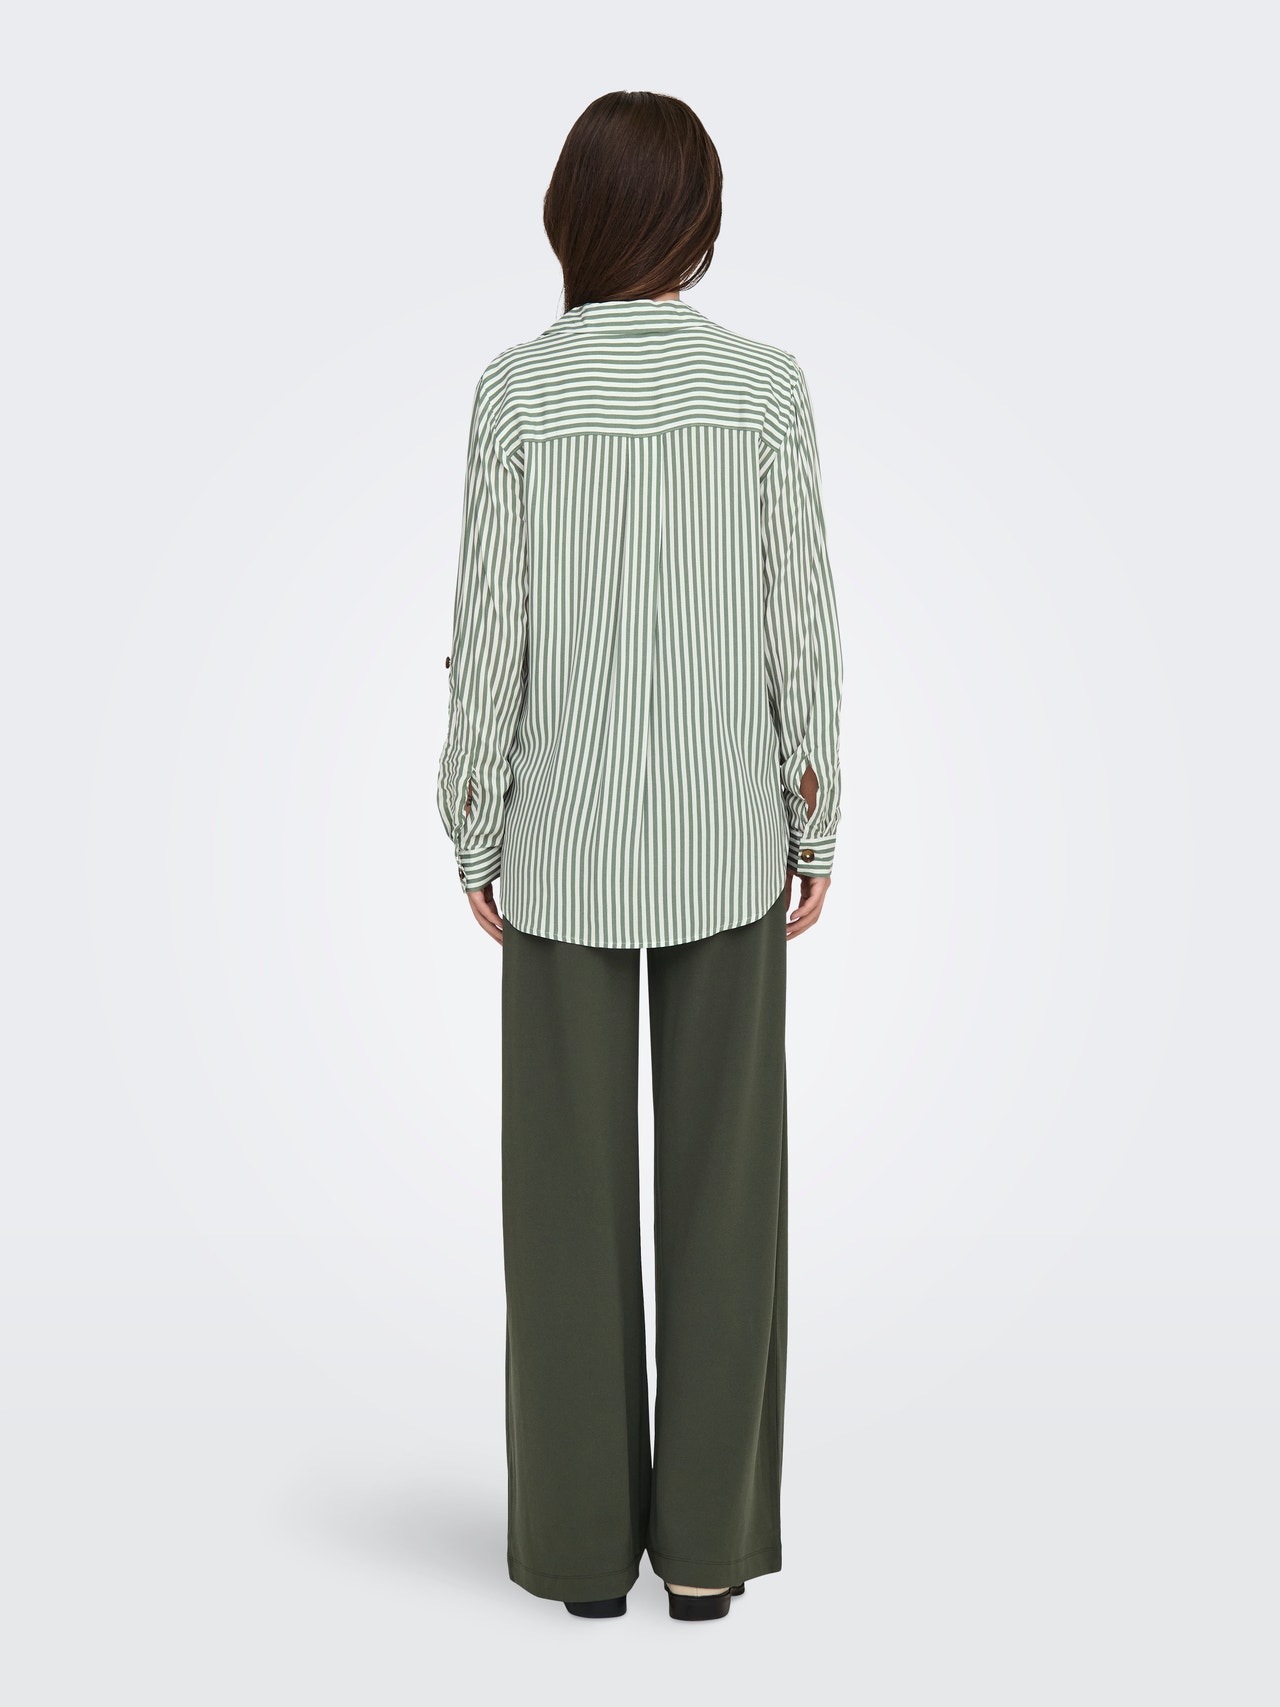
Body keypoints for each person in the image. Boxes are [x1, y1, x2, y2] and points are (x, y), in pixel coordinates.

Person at [436, 90, 843, 1623]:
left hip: (559, 851)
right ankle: (708, 1555)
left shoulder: (517, 396)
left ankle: (577, 1553)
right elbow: (802, 623)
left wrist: (475, 823)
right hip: (730, 842)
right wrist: (815, 812)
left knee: (561, 1208)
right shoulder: (765, 390)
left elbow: (490, 634)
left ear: (571, 218)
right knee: (729, 1200)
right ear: (700, 224)